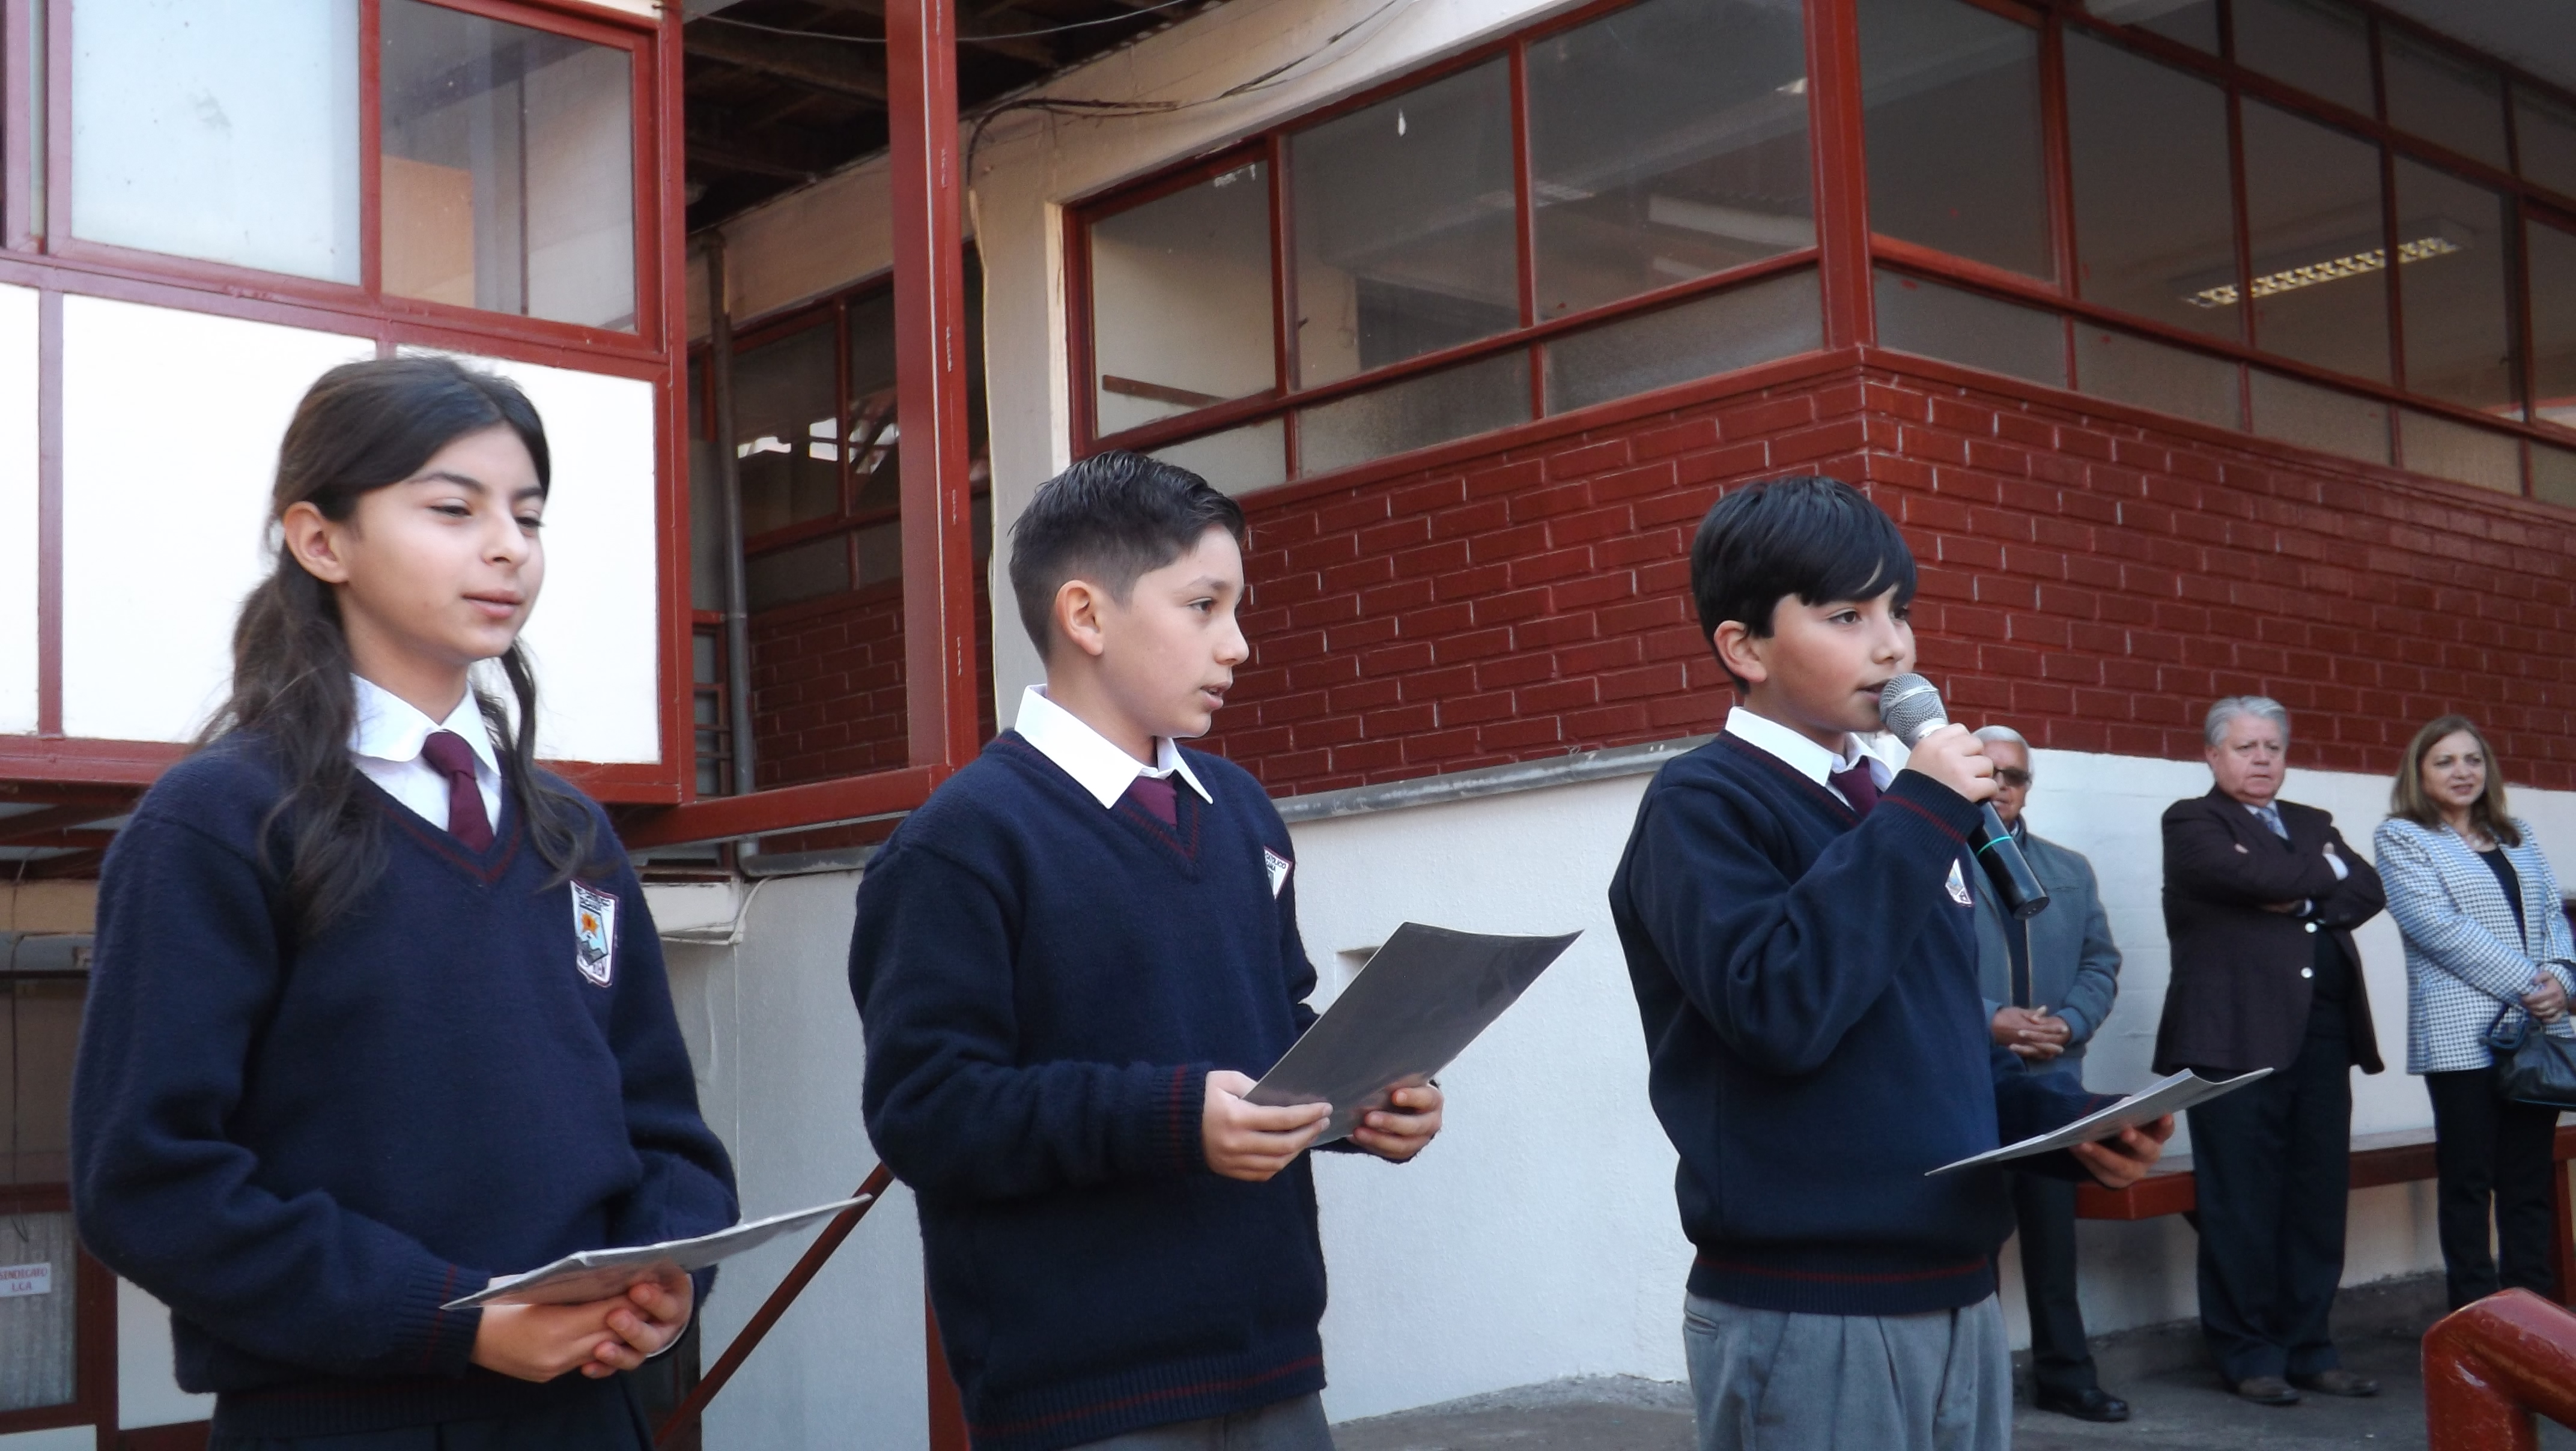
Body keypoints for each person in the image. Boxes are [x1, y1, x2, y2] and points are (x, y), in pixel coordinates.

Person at [72, 357, 737, 1448]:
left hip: (590, 1417)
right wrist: (449, 1319)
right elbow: (148, 1181)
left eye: (528, 515)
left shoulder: (573, 833)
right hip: (346, 1424)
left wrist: (666, 1274)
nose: (508, 547)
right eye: (453, 509)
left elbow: (664, 1131)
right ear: (321, 540)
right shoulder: (218, 823)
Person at [847, 451, 1443, 1451]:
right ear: (1085, 616)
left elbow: (1273, 1025)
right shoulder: (960, 845)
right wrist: (1172, 1119)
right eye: (1204, 606)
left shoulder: (1241, 812)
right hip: (1083, 1399)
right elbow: (929, 1111)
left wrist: (1362, 1097)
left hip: (1275, 1365)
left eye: (1236, 609)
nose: (1238, 644)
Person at [1606, 475, 2168, 1451]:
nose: (1892, 646)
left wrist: (2066, 1124)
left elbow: (1934, 1033)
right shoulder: (1705, 803)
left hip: (1958, 1291)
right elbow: (1779, 1010)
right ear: (1744, 648)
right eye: (1845, 616)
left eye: (1897, 610)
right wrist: (1920, 811)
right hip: (1811, 1307)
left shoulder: (1890, 806)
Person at [2152, 696, 2386, 1406]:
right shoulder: (2191, 821)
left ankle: (2310, 1347)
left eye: (2272, 748)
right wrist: (2319, 875)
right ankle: (2249, 1354)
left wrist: (2302, 893)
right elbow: (2250, 880)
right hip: (2233, 1035)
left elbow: (2368, 888)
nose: (2261, 759)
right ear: (2212, 755)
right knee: (2241, 1202)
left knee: (2316, 1197)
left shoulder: (2312, 821)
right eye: (2245, 747)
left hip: (2321, 1033)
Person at [2374, 715, 2575, 1310]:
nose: (2462, 771)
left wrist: (2563, 981)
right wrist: (2531, 984)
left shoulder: (2518, 835)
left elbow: (2552, 918)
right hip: (2461, 1038)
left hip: (2536, 1034)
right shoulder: (2403, 837)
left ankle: (2532, 1319)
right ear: (2419, 773)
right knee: (2468, 1182)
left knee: (2527, 1182)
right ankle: (2476, 1319)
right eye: (2445, 761)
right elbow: (2439, 928)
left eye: (2472, 759)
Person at [1968, 726, 2128, 1424]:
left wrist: (2067, 1023)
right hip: (1971, 1083)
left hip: (2053, 1079)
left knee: (2053, 1242)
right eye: (1991, 773)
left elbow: (2100, 961)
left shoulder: (2067, 868)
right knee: (1971, 1240)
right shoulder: (1936, 865)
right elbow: (1915, 971)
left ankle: (2065, 1374)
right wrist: (1990, 1021)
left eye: (2016, 776)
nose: (2003, 786)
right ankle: (1974, 1384)